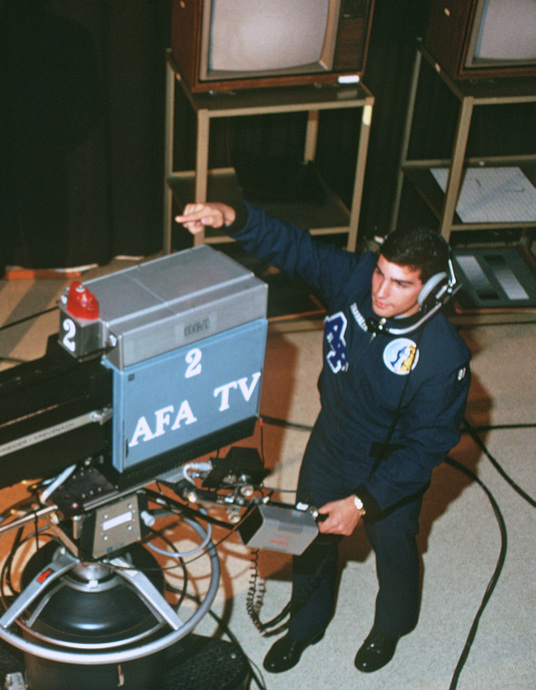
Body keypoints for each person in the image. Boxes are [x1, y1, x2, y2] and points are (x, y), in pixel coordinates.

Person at [176, 201, 471, 674]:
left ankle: (392, 626)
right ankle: (305, 628)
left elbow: (426, 448)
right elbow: (296, 249)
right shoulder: (355, 278)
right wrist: (234, 218)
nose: (380, 291)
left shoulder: (443, 356)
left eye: (401, 283)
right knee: (310, 539)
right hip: (334, 440)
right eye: (381, 273)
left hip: (391, 466)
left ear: (432, 289)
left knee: (395, 549)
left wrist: (361, 504)